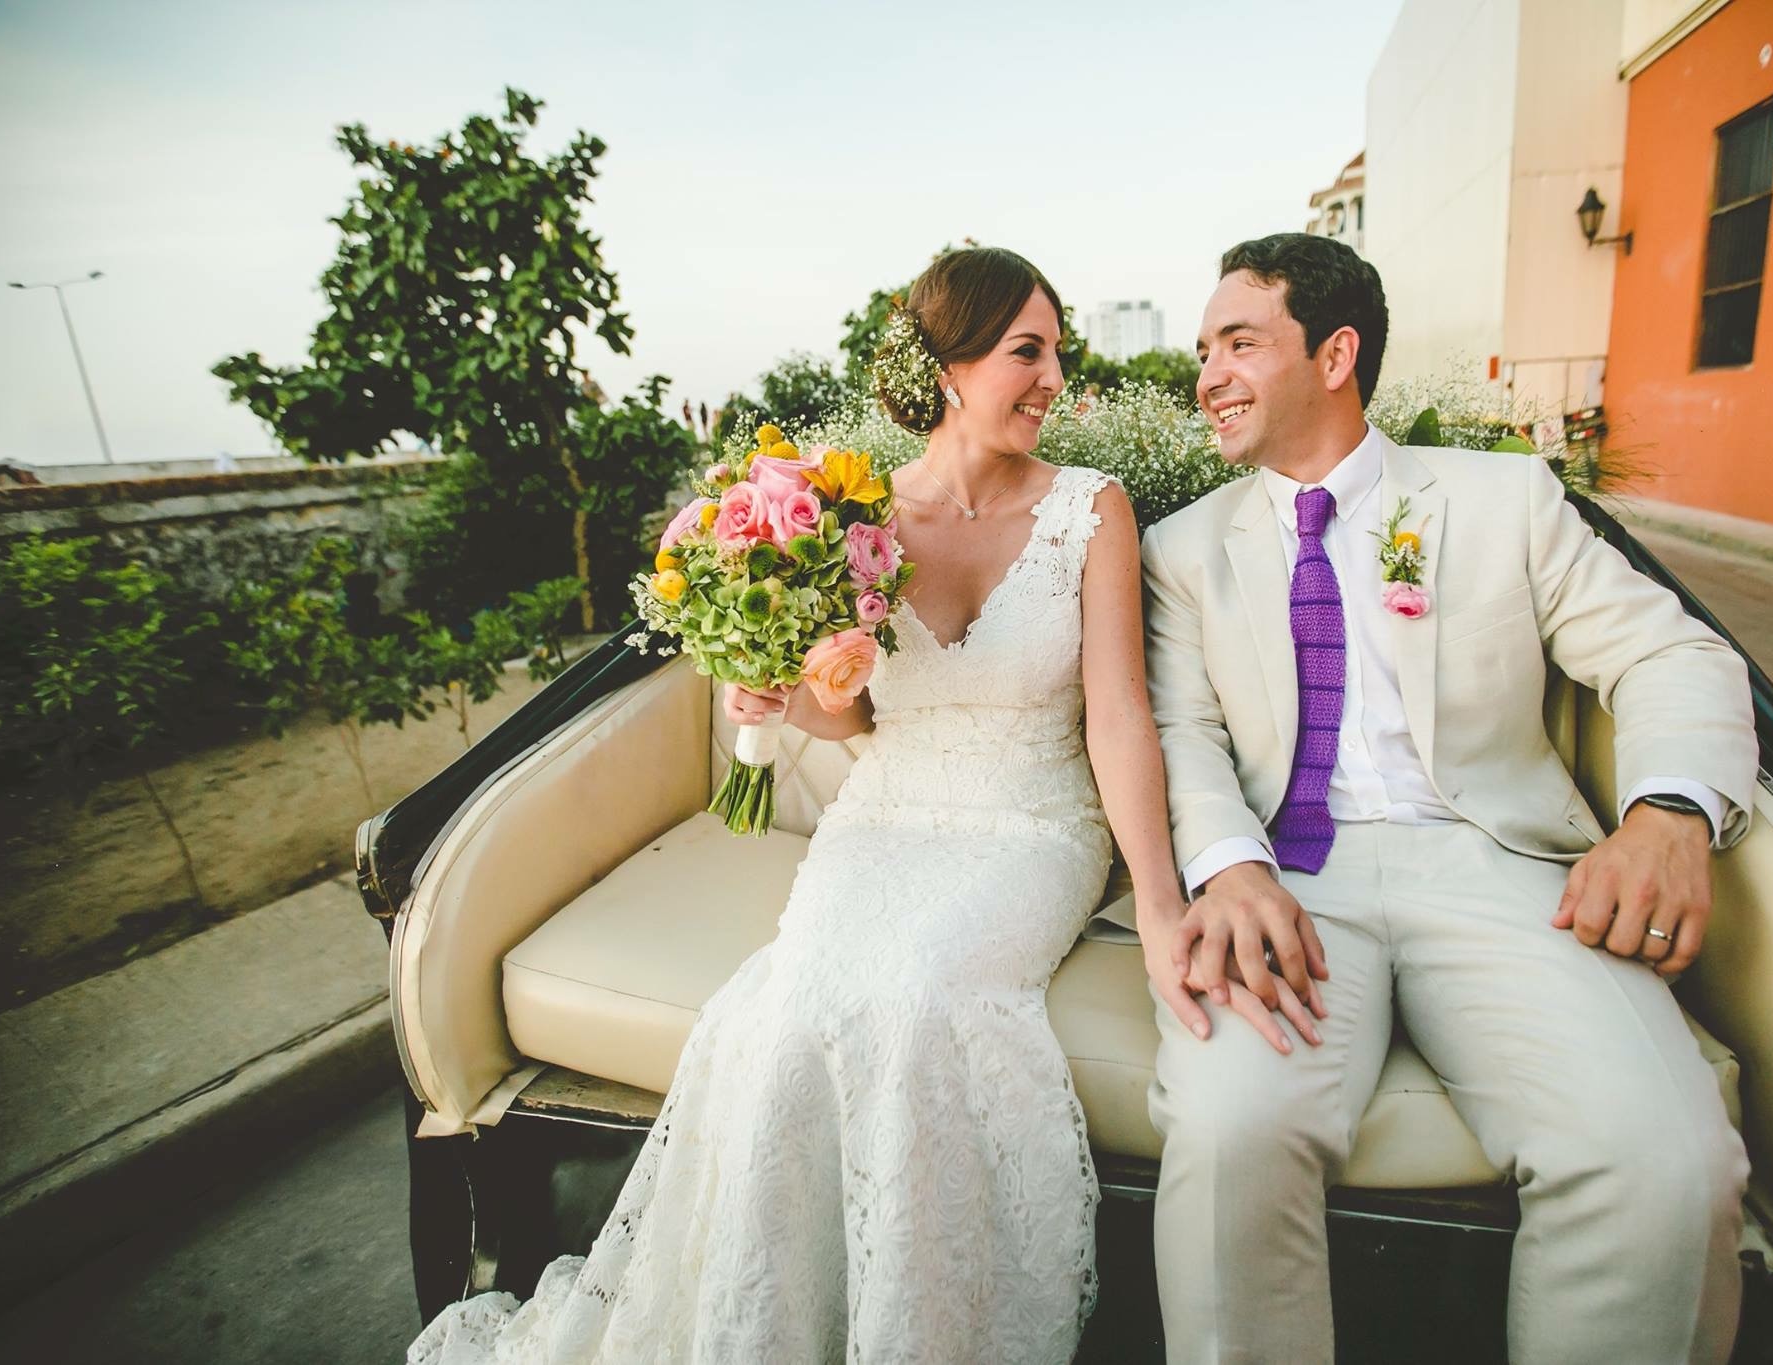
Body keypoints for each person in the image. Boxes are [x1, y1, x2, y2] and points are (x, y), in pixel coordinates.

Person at [407, 246, 1188, 1363]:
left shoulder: (1089, 510)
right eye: (1027, 350)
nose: (1051, 377)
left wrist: (1157, 906)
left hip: (1030, 829)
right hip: (883, 816)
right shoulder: (854, 519)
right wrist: (778, 685)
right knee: (781, 1019)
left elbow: (1117, 717)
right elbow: (855, 720)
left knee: (916, 994)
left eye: (1057, 351)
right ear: (948, 364)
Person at [1136, 233, 1757, 1364]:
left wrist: (1667, 815)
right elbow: (1179, 731)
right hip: (1283, 879)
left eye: (1237, 343)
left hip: (1503, 871)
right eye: (1201, 349)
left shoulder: (1504, 500)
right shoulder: (1181, 552)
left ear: (1334, 354)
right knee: (1230, 1131)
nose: (1206, 374)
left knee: (1662, 1157)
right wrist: (1226, 866)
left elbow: (1673, 657)